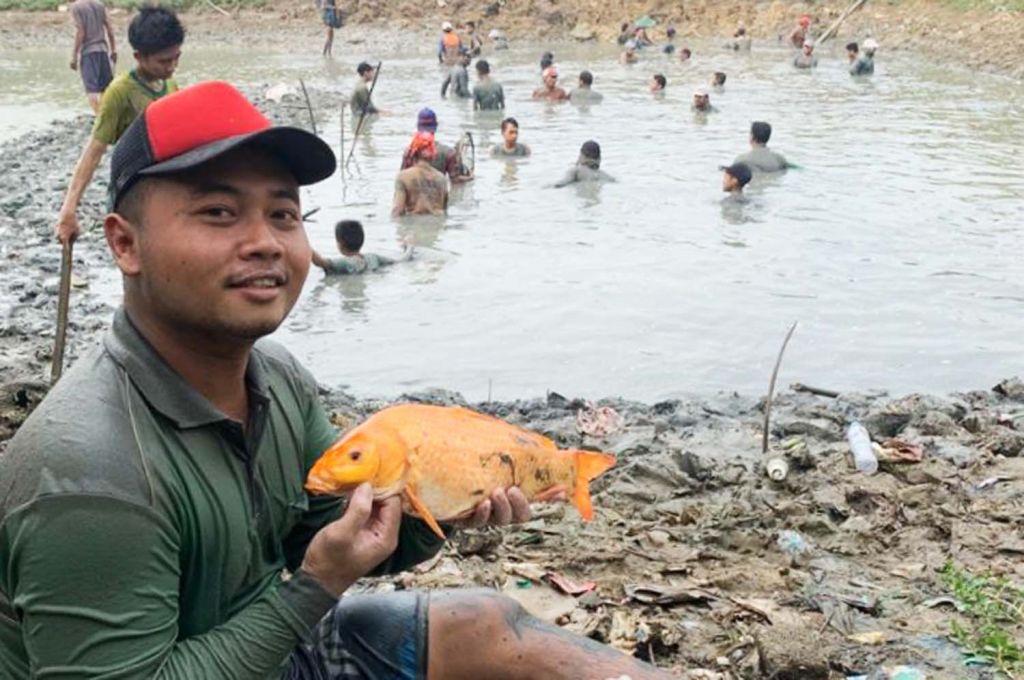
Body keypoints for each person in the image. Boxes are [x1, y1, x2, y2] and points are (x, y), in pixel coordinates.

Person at [0, 80, 676, 680]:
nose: (266, 242)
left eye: (283, 214)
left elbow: (336, 532)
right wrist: (315, 584)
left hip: (269, 648)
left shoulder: (277, 379)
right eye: (219, 213)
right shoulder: (88, 470)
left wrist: (439, 509)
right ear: (125, 243)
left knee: (495, 623)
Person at [55, 6, 184, 246]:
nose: (172, 66)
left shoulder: (171, 86)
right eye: (164, 61)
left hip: (164, 192)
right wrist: (69, 210)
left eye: (176, 57)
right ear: (139, 57)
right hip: (131, 195)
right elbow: (94, 151)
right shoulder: (120, 92)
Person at [312, 220, 410, 275]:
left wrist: (307, 248)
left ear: (340, 243)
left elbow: (320, 262)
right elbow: (402, 260)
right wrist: (409, 246)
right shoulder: (373, 257)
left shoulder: (344, 263)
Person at [401, 108, 472, 183]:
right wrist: (471, 177)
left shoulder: (409, 151)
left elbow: (402, 177)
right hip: (437, 188)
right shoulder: (448, 152)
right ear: (436, 126)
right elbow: (455, 180)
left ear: (418, 126)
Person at [69, 0, 116, 112]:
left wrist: (74, 55)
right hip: (103, 50)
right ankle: (107, 115)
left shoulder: (76, 7)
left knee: (91, 90)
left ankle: (99, 116)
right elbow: (109, 28)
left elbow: (80, 32)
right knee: (106, 88)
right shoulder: (99, 4)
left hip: (89, 52)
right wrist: (113, 50)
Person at [393, 132, 449, 217]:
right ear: (433, 155)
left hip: (412, 223)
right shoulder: (442, 178)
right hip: (437, 224)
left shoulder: (403, 177)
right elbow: (444, 210)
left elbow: (397, 211)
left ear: (413, 153)